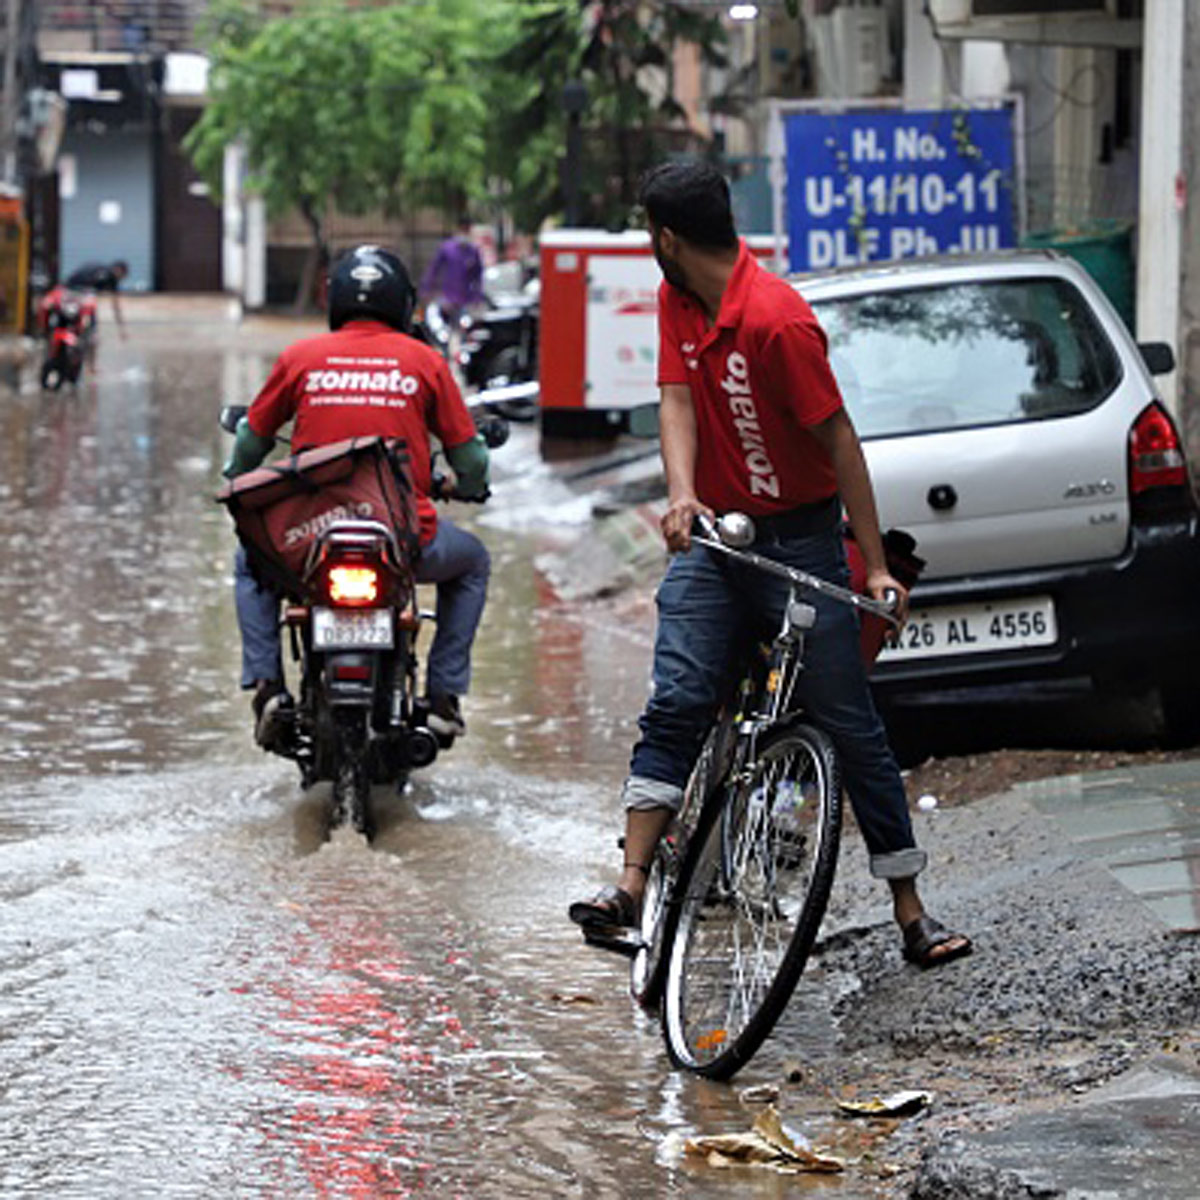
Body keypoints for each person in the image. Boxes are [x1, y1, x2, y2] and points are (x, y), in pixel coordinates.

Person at [567, 161, 972, 969]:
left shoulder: (778, 323)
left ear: (669, 238)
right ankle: (631, 885)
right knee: (678, 698)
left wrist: (878, 567)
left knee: (848, 725)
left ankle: (911, 909)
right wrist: (681, 494)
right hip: (717, 540)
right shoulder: (680, 299)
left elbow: (840, 441)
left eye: (649, 232)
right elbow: (676, 398)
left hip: (801, 544)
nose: (650, 245)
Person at [224, 244, 492, 743]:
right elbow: (471, 459)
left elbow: (251, 441)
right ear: (401, 303)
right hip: (402, 541)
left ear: (336, 300)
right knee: (472, 561)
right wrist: (470, 487)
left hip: (309, 541)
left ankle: (268, 690)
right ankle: (441, 696)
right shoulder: (425, 362)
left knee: (249, 563)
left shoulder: (299, 357)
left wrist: (232, 472)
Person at [420, 217, 485, 332]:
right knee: (445, 329)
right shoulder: (447, 248)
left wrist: (477, 297)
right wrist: (427, 289)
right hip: (448, 297)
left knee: (463, 330)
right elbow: (434, 269)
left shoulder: (473, 251)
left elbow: (478, 276)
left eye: (467, 230)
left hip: (465, 299)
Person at [64, 260, 128, 339]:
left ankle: (88, 333)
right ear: (119, 270)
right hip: (73, 289)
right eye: (123, 275)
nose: (122, 278)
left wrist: (121, 330)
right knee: (87, 307)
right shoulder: (106, 275)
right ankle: (89, 333)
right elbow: (115, 306)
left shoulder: (108, 276)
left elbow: (115, 306)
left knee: (87, 308)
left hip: (72, 289)